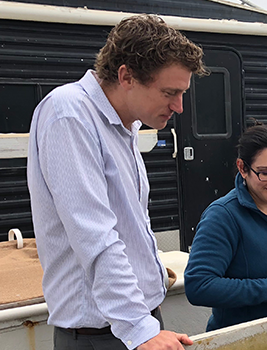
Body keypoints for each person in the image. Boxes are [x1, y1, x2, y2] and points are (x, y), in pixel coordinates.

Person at [27, 15, 206, 350]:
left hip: (135, 323)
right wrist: (141, 328)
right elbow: (94, 235)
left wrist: (151, 266)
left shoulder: (125, 126)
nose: (179, 107)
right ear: (126, 76)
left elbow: (131, 221)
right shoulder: (70, 115)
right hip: (104, 335)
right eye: (170, 92)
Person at [184, 123, 267, 331]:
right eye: (266, 173)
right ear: (243, 168)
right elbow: (198, 286)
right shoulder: (223, 216)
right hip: (239, 339)